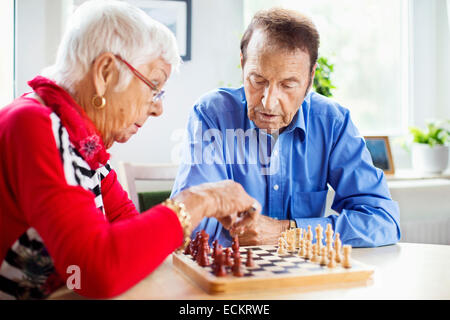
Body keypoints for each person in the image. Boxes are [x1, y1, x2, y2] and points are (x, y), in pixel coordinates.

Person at [0, 0, 260, 300]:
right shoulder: (34, 125)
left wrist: (199, 208)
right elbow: (97, 270)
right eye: (154, 86)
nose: (158, 108)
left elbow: (130, 231)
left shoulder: (84, 144)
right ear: (105, 73)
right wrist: (202, 199)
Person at [171, 8, 401, 248]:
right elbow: (188, 224)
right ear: (242, 64)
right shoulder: (211, 115)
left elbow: (383, 221)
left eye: (288, 85)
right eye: (257, 80)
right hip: (230, 279)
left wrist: (287, 231)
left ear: (310, 79)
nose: (268, 101)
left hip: (304, 278)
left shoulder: (332, 122)